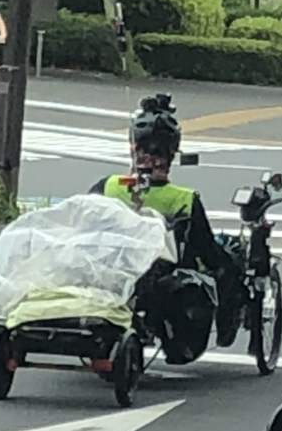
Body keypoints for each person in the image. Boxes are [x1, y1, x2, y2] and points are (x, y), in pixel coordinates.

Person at [89, 94, 243, 348]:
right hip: (158, 284)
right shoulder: (184, 199)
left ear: (133, 148)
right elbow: (207, 251)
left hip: (106, 269)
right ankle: (225, 333)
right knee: (227, 265)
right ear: (172, 153)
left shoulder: (107, 186)